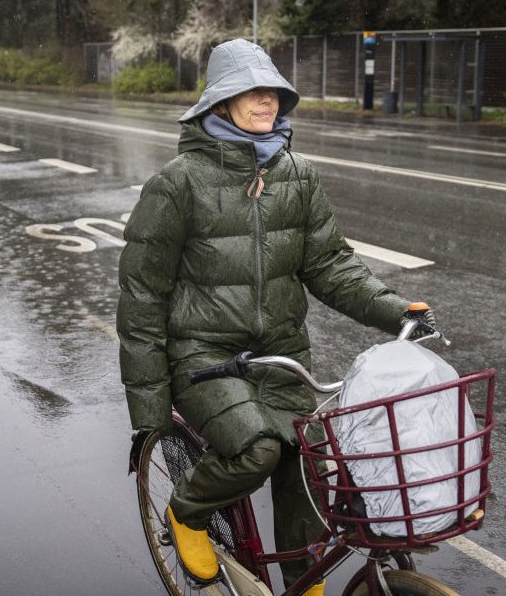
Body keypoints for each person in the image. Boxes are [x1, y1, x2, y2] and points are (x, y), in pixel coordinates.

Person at [117, 38, 434, 595]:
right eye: (252, 91)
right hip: (206, 359)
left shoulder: (297, 174)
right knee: (259, 449)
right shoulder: (178, 182)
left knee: (309, 465)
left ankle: (302, 583)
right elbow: (142, 295)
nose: (267, 101)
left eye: (274, 92)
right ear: (221, 102)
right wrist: (149, 407)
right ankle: (186, 513)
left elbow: (331, 264)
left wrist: (395, 312)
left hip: (283, 359)